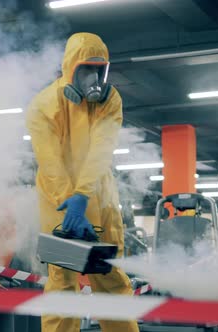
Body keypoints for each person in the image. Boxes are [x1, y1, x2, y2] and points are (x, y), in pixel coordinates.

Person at [26, 32, 139, 332]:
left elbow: (102, 149)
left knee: (112, 279)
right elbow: (50, 162)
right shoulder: (43, 105)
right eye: (85, 69)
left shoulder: (109, 100)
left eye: (98, 70)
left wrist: (83, 195)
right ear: (70, 69)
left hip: (99, 197)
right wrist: (70, 202)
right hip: (58, 202)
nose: (93, 77)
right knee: (62, 283)